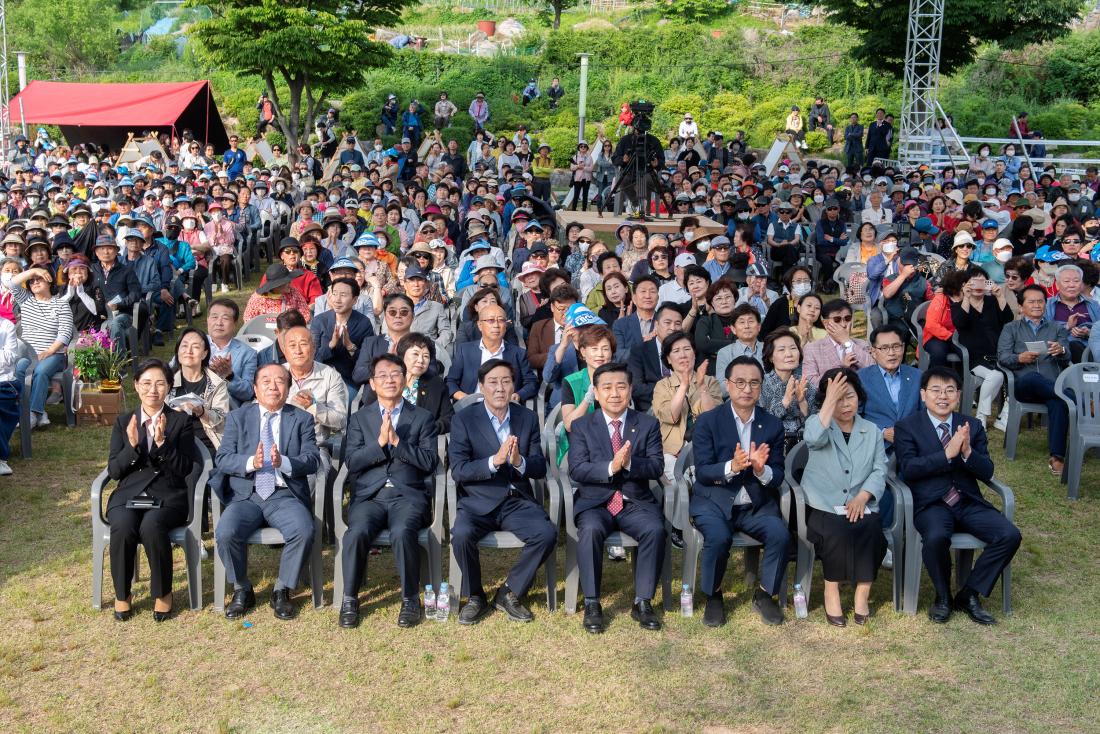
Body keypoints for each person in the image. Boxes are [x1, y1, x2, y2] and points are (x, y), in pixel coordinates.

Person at [893, 367, 1022, 625]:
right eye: (936, 390)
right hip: (932, 503)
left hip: (967, 501)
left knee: (1009, 535)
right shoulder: (907, 427)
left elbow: (987, 471)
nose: (943, 396)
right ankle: (942, 596)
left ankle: (969, 593)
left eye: (950, 390)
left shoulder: (971, 426)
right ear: (923, 394)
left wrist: (967, 453)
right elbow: (909, 469)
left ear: (959, 395)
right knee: (936, 536)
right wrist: (946, 454)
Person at [448, 359, 556, 624]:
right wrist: (493, 461)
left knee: (546, 534)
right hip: (478, 499)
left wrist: (519, 461)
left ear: (513, 386)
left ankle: (509, 592)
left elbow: (539, 467)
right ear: (481, 387)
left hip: (514, 499)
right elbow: (459, 470)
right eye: (493, 382)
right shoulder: (464, 419)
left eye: (506, 381)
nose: (500, 388)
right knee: (461, 536)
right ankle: (475, 596)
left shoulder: (526, 417)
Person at [338, 354, 438, 629]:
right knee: (356, 533)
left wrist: (398, 443)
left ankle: (409, 599)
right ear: (372, 383)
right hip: (370, 496)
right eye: (382, 375)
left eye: (395, 374)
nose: (389, 380)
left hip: (407, 496)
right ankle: (350, 599)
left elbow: (430, 462)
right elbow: (353, 462)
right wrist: (381, 443)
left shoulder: (422, 418)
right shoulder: (360, 418)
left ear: (405, 380)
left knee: (403, 532)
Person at [214, 364, 321, 620]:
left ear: (288, 388)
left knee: (304, 529)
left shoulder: (302, 418)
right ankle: (242, 588)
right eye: (266, 381)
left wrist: (281, 461)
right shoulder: (238, 417)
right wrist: (252, 462)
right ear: (255, 388)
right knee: (226, 532)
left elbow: (312, 459)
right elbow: (223, 459)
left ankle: (282, 589)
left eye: (280, 381)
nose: (273, 386)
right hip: (246, 494)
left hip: (283, 494)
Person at [690, 356, 790, 627]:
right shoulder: (708, 421)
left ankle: (766, 594)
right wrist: (732, 467)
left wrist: (760, 470)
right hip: (714, 499)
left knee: (780, 534)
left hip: (754, 503)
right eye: (741, 382)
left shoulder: (772, 425)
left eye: (754, 383)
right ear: (728, 384)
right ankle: (713, 596)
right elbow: (703, 471)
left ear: (760, 387)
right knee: (719, 537)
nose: (747, 389)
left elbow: (778, 473)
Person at [568, 362, 667, 633]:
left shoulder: (646, 424)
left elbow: (657, 466)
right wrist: (612, 467)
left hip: (634, 501)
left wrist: (629, 463)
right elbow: (576, 468)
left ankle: (642, 602)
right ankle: (592, 603)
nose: (614, 393)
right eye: (607, 388)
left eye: (621, 386)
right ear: (596, 393)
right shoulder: (582, 425)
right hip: (595, 501)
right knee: (589, 530)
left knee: (655, 530)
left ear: (630, 390)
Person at [106, 358, 196, 622]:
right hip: (129, 494)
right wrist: (132, 448)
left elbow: (186, 469)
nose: (152, 390)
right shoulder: (124, 421)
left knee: (151, 526)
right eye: (146, 383)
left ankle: (163, 592)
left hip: (168, 494)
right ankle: (122, 594)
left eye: (160, 383)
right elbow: (114, 471)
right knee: (122, 525)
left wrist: (163, 444)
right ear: (136, 386)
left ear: (169, 386)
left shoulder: (181, 421)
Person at [801, 368, 888, 626]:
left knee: (871, 528)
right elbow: (813, 438)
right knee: (837, 530)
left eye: (849, 396)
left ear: (859, 396)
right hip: (823, 505)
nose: (845, 404)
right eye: (837, 398)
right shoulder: (818, 424)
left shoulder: (871, 430)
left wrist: (863, 496)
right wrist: (829, 401)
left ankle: (863, 592)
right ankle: (831, 589)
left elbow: (879, 468)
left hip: (860, 503)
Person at [997, 284, 1071, 475]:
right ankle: (1075, 398)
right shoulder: (1011, 328)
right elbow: (1002, 357)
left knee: (1058, 402)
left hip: (1051, 389)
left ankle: (1057, 458)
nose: (1037, 305)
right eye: (1032, 302)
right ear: (1021, 307)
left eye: (1040, 301)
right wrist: (1019, 358)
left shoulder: (1056, 328)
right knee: (1034, 377)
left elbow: (1067, 354)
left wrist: (1060, 351)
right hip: (1024, 385)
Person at [6, 266, 73, 429]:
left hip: (53, 354)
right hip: (27, 354)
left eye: (39, 279)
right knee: (18, 371)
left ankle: (35, 412)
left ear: (49, 281)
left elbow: (65, 334)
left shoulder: (61, 304)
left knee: (40, 371)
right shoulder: (26, 300)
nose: (35, 282)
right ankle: (24, 411)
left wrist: (49, 351)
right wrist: (34, 271)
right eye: (32, 281)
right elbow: (11, 283)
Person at [652, 331, 721, 482]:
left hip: (707, 449)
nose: (683, 355)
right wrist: (684, 385)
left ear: (694, 353)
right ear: (669, 359)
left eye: (687, 349)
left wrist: (702, 385)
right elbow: (671, 416)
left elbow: (714, 417)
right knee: (677, 483)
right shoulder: (662, 386)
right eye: (676, 351)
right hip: (672, 452)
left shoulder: (710, 381)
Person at [951, 269, 1013, 426]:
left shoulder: (992, 302)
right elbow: (960, 322)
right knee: (996, 376)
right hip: (973, 357)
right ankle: (981, 418)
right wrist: (966, 297)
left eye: (982, 281)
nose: (978, 285)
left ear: (988, 283)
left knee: (997, 375)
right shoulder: (958, 305)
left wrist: (1000, 296)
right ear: (966, 284)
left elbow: (1008, 319)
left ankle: (981, 417)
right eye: (974, 281)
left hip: (996, 354)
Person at [446, 303, 537, 402]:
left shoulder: (518, 353)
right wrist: (463, 398)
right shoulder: (465, 351)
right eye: (491, 320)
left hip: (506, 407)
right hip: (471, 407)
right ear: (480, 325)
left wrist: (518, 395)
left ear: (506, 325)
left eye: (501, 320)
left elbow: (532, 382)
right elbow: (450, 381)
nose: (496, 325)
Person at [283, 324, 348, 446]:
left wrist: (314, 407)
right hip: (278, 443)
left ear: (314, 347)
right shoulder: (275, 374)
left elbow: (341, 420)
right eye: (292, 345)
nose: (298, 351)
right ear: (284, 350)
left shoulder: (330, 376)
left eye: (303, 344)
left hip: (314, 446)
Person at [310, 277, 376, 396]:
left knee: (344, 400)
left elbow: (368, 360)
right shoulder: (319, 321)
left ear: (354, 300)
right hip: (320, 377)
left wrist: (350, 346)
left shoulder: (363, 323)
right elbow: (312, 357)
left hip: (347, 380)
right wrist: (331, 345)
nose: (337, 300)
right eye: (335, 294)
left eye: (343, 295)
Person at [171, 328, 230, 452]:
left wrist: (202, 412)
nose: (189, 351)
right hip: (173, 442)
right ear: (177, 351)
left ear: (204, 354)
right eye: (184, 346)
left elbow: (222, 422)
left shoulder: (217, 383)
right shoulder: (167, 381)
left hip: (207, 443)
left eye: (196, 347)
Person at [758, 328, 817, 450]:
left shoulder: (806, 384)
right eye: (781, 350)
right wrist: (785, 402)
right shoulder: (760, 384)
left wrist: (802, 403)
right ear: (770, 357)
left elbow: (817, 425)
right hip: (770, 446)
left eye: (793, 348)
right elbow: (759, 423)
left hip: (804, 446)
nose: (789, 354)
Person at [627, 302, 684, 412]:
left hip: (684, 405)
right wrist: (671, 392)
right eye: (667, 323)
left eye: (678, 323)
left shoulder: (688, 349)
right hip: (651, 407)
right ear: (656, 325)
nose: (673, 328)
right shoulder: (639, 351)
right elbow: (636, 387)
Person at [802, 299, 874, 384]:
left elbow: (873, 369)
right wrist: (840, 369)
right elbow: (810, 383)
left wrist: (846, 342)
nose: (843, 324)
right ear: (825, 323)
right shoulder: (812, 349)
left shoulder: (861, 344)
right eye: (837, 320)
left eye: (847, 318)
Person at [1044, 264, 1100, 363]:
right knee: (1073, 345)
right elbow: (1042, 334)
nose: (1072, 285)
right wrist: (1067, 327)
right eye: (1066, 281)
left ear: (1082, 284)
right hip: (1059, 355)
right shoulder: (1046, 305)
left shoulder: (1093, 305)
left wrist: (1089, 333)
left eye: (1076, 281)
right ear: (1057, 285)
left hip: (1091, 352)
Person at [206, 298, 258, 405]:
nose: (219, 323)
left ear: (235, 324)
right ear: (207, 320)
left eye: (225, 318)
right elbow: (171, 372)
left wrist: (230, 376)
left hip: (225, 408)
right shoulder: (194, 342)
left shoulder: (247, 353)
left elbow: (248, 392)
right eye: (214, 317)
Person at [714, 304, 764, 393]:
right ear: (733, 329)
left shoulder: (769, 349)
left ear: (759, 327)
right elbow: (721, 388)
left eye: (751, 321)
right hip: (737, 400)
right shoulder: (725, 353)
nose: (747, 326)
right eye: (741, 322)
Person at [244, 263, 311, 324]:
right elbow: (248, 320)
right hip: (265, 333)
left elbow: (305, 312)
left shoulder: (293, 292)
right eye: (286, 282)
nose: (289, 283)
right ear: (276, 286)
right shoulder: (258, 299)